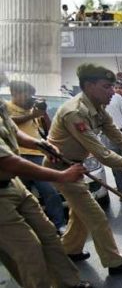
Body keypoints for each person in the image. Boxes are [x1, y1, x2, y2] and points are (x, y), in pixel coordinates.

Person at [44, 64, 122, 275]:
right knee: (97, 216)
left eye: (112, 86)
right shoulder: (75, 112)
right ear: (89, 86)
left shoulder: (99, 109)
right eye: (107, 86)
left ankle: (69, 249)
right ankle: (114, 263)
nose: (112, 91)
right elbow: (104, 155)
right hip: (62, 168)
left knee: (80, 214)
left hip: (76, 166)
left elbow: (120, 138)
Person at [0, 72, 92, 288]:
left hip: (14, 186)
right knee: (28, 250)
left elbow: (13, 133)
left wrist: (41, 144)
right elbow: (7, 162)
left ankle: (70, 283)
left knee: (49, 235)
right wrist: (61, 175)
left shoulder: (1, 106)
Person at [6, 81, 67, 234]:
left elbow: (48, 128)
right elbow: (9, 123)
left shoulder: (32, 110)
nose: (29, 98)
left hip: (37, 155)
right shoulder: (6, 107)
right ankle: (26, 229)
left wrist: (43, 113)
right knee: (21, 196)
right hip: (16, 156)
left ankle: (59, 225)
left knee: (50, 192)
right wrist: (31, 114)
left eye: (30, 95)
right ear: (15, 93)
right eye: (26, 94)